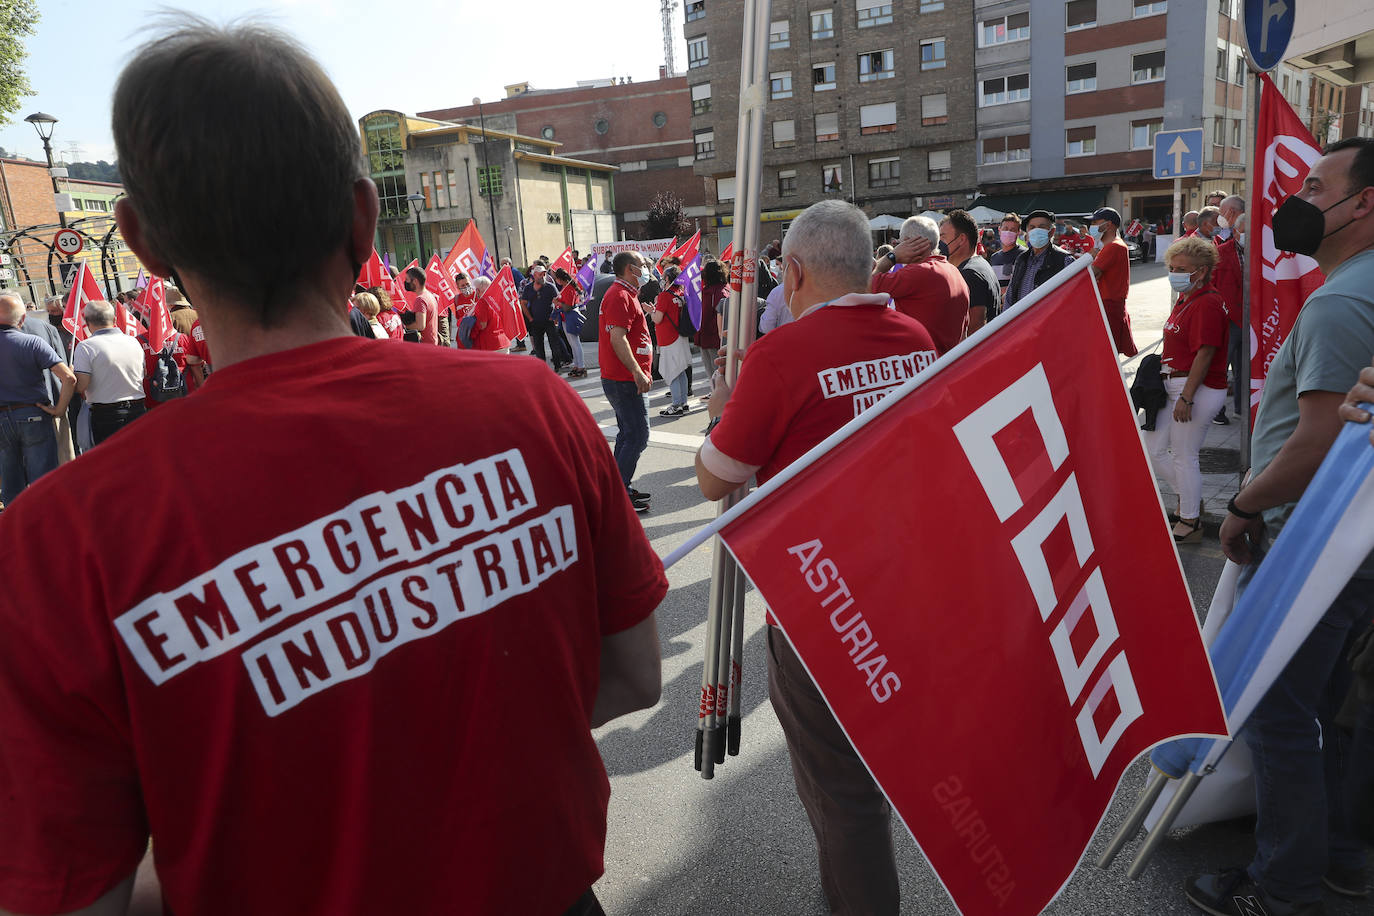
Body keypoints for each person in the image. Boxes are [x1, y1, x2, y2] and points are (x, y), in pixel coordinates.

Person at [0, 20, 667, 916]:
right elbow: (632, 675)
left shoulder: (55, 540)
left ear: (142, 242)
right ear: (362, 215)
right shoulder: (532, 405)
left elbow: (79, 893)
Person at [694, 200, 938, 916]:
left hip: (820, 604)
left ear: (793, 271)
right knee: (867, 779)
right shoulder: (915, 335)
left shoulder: (781, 356)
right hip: (907, 587)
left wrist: (723, 406)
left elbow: (716, 475)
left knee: (842, 795)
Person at [1188, 137, 1374, 916]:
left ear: (1362, 203)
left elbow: (1320, 437)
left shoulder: (1339, 302)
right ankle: (1337, 858)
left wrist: (1243, 503)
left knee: (1279, 710)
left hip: (1311, 541)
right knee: (1325, 706)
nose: (1294, 198)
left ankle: (1284, 888)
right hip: (1349, 540)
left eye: (1313, 184)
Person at [1143, 237, 1229, 543]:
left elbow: (1205, 353)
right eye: (1172, 267)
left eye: (1182, 269)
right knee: (1153, 448)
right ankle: (1188, 497)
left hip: (1196, 387)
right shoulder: (1188, 298)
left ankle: (1190, 519)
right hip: (1173, 383)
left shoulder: (1206, 302)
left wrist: (1187, 397)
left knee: (1183, 454)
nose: (1174, 273)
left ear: (1202, 271)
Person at [0, 293, 75, 509]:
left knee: (10, 479)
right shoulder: (32, 342)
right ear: (23, 319)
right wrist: (60, 409)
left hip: (3, 418)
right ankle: (46, 522)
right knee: (42, 477)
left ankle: (16, 529)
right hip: (33, 414)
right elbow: (69, 378)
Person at [598, 251, 654, 512]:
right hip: (623, 379)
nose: (647, 268)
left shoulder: (625, 294)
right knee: (638, 435)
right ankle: (619, 494)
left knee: (628, 434)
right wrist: (636, 371)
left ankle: (618, 487)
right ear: (631, 269)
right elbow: (617, 338)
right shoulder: (619, 295)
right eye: (643, 265)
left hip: (623, 379)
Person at [870, 214, 969, 355]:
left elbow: (864, 288)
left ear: (910, 242)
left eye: (900, 244)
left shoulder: (918, 272)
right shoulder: (954, 271)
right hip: (947, 363)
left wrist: (891, 257)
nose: (898, 247)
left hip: (921, 367)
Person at [72, 300, 148, 446]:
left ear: (87, 322)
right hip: (137, 410)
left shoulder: (86, 346)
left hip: (107, 416)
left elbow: (81, 386)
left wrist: (69, 377)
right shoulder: (133, 341)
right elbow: (143, 373)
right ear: (114, 320)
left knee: (114, 463)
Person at [939, 209, 1000, 335]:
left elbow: (974, 330)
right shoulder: (981, 264)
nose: (939, 244)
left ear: (961, 239)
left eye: (943, 237)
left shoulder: (969, 274)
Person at [1089, 207, 1137, 357]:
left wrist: (1088, 258)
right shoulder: (1111, 246)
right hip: (1108, 303)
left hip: (1108, 304)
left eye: (1096, 222)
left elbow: (1091, 274)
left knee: (1106, 354)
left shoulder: (1114, 246)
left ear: (1108, 224)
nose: (1092, 226)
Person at [1004, 209, 1073, 310]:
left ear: (1051, 232)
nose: (1036, 230)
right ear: (1027, 232)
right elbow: (1010, 296)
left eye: (1042, 227)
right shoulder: (1021, 259)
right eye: (1032, 227)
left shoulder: (1065, 260)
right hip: (1022, 321)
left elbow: (1071, 298)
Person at [651, 265, 692, 416]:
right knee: (680, 371)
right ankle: (683, 403)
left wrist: (651, 311)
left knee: (673, 372)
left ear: (667, 279)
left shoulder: (665, 296)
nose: (662, 280)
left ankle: (676, 405)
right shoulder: (680, 293)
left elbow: (658, 318)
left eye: (663, 278)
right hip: (680, 336)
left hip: (668, 338)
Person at [520, 264, 571, 371]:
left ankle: (557, 366)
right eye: (540, 274)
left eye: (544, 274)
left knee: (555, 345)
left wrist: (557, 315)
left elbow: (558, 301)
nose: (543, 276)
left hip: (549, 321)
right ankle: (542, 369)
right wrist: (530, 318)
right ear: (534, 275)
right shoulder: (528, 288)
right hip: (535, 321)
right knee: (539, 347)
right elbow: (523, 303)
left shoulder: (550, 287)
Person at [696, 258, 726, 390]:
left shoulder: (712, 293)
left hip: (711, 338)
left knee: (714, 372)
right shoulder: (726, 289)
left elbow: (705, 315)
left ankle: (719, 396)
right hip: (716, 338)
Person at [553, 268, 587, 377]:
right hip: (566, 318)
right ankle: (577, 365)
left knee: (575, 343)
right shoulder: (566, 287)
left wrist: (557, 302)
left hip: (570, 317)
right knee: (572, 343)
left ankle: (581, 366)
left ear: (559, 279)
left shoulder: (568, 288)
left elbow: (568, 307)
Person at [400, 265, 439, 345]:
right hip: (432, 342)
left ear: (415, 281)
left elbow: (420, 325)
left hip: (425, 345)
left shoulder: (420, 299)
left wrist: (403, 326)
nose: (405, 282)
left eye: (407, 280)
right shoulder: (430, 295)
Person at [987, 212, 1023, 294]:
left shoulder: (1024, 255)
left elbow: (1025, 284)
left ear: (1018, 232)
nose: (1008, 232)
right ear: (999, 230)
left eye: (1012, 230)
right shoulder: (994, 257)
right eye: (1005, 228)